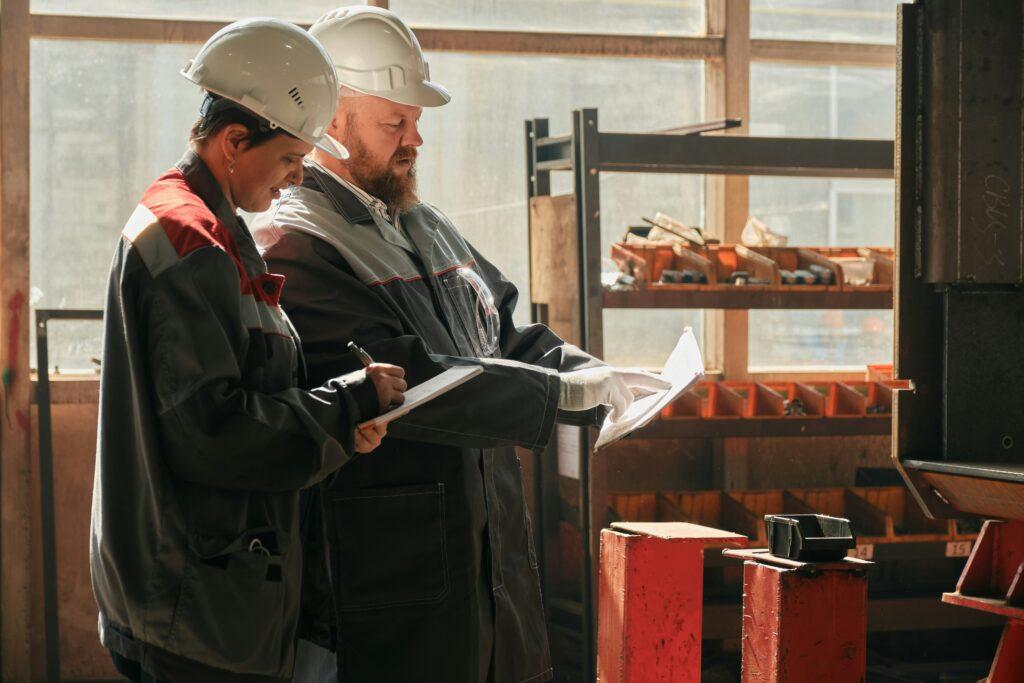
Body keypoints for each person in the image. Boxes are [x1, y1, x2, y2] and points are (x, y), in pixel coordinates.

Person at [252, 7, 669, 682]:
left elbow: (501, 326)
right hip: (390, 599)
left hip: (490, 579)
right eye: (396, 122)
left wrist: (589, 370)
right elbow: (407, 379)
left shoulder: (426, 225)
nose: (417, 136)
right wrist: (554, 392)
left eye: (417, 119)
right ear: (330, 123)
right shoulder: (296, 245)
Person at [90, 18, 406, 683]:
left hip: (193, 594)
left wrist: (339, 413)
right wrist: (345, 405)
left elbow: (245, 383)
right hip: (192, 609)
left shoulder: (218, 229)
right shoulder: (190, 240)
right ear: (235, 141)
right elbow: (215, 430)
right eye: (291, 159)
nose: (296, 178)